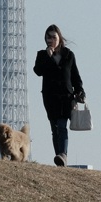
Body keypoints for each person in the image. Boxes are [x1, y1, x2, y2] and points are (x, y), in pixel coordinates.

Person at [33, 24, 86, 167]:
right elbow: (38, 71)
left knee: (62, 125)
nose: (50, 40)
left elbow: (75, 76)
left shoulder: (68, 55)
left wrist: (80, 90)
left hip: (65, 97)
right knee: (54, 127)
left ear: (59, 38)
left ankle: (63, 154)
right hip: (50, 97)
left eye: (53, 37)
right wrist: (49, 57)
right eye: (48, 37)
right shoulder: (42, 55)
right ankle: (59, 157)